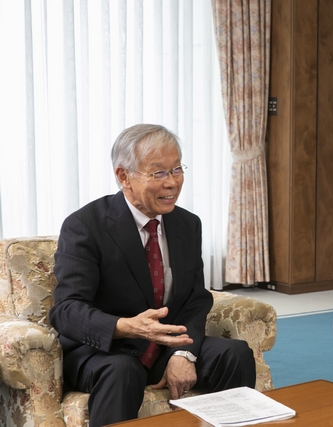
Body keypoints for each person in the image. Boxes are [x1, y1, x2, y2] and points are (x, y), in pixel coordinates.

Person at [49, 124, 256, 426]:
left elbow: (196, 300)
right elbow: (66, 310)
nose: (172, 183)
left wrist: (183, 354)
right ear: (124, 177)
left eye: (176, 170)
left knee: (234, 353)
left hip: (162, 346)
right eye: (158, 173)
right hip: (104, 352)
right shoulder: (85, 226)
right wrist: (126, 327)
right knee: (123, 369)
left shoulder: (187, 225)